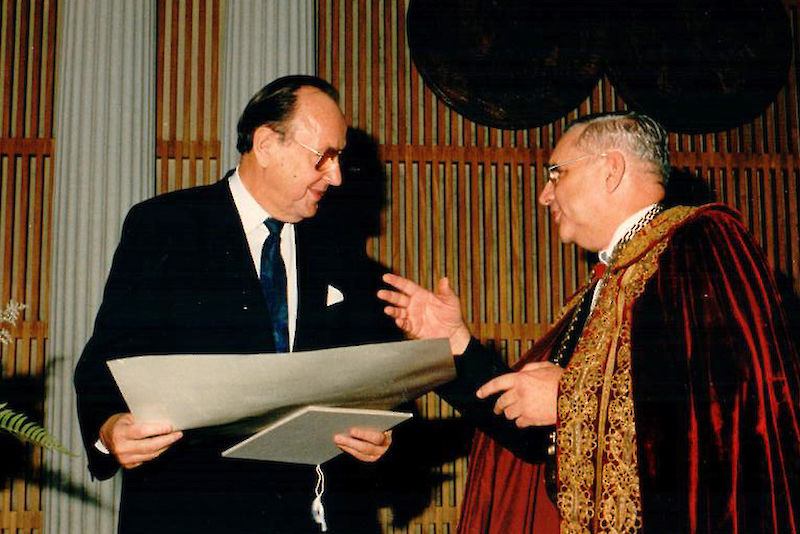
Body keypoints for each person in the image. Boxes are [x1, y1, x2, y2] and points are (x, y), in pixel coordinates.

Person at [379, 111, 800, 533]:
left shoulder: (700, 240)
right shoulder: (602, 287)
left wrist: (568, 398)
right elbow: (532, 435)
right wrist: (456, 345)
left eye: (556, 174)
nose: (544, 195)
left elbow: (730, 407)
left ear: (611, 169)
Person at [74, 75, 399, 534]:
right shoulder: (165, 226)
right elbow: (104, 359)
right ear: (266, 144)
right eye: (324, 156)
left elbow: (370, 381)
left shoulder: (339, 250)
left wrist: (377, 436)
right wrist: (109, 430)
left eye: (339, 157)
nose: (337, 175)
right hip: (191, 515)